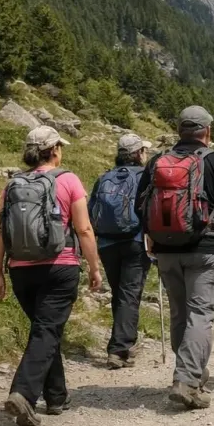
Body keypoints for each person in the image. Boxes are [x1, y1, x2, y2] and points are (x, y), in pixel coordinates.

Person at [135, 106, 214, 411]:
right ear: (207, 132)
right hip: (206, 249)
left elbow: (140, 203)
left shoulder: (158, 161)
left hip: (166, 251)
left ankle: (191, 374)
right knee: (200, 315)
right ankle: (186, 380)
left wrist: (150, 235)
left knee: (179, 315)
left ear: (179, 130)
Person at [0, 126, 102, 426]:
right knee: (46, 331)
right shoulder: (68, 180)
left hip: (20, 270)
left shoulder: (12, 184)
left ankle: (56, 396)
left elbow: (0, 230)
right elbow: (84, 229)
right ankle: (23, 393)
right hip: (59, 266)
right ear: (54, 150)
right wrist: (94, 267)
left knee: (44, 329)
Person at [88, 133, 153, 369]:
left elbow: (91, 210)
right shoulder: (145, 176)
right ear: (137, 154)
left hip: (107, 243)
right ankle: (119, 348)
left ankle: (124, 341)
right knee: (130, 294)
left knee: (119, 293)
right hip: (135, 241)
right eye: (143, 150)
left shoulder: (104, 177)